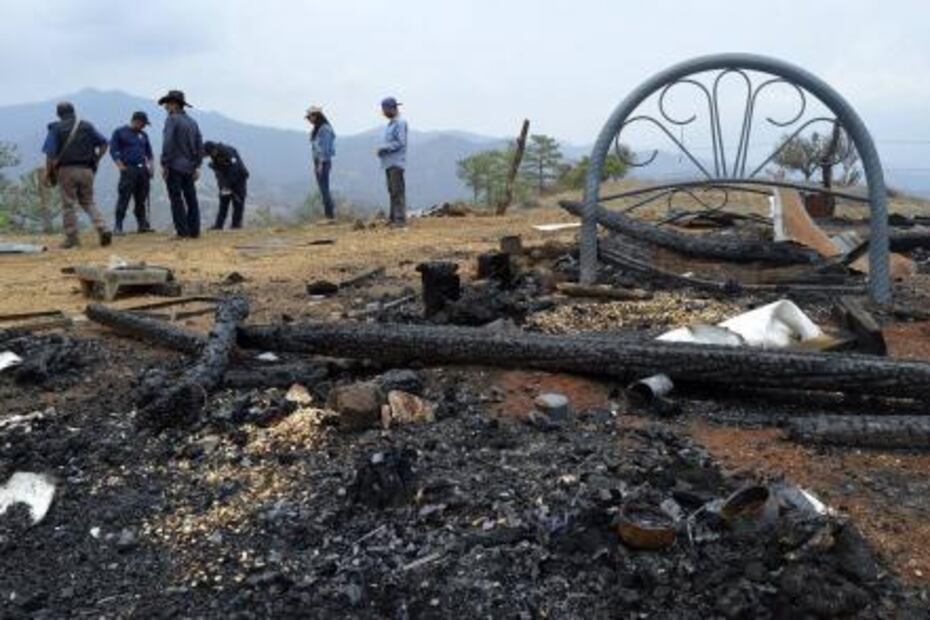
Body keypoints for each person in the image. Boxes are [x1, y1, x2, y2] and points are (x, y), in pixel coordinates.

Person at [42, 102, 112, 248]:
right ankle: (103, 228)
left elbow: (50, 154)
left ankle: (72, 238)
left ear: (58, 114)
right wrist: (96, 160)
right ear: (74, 111)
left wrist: (47, 173)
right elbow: (104, 143)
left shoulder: (56, 128)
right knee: (88, 201)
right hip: (87, 170)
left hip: (67, 170)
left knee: (68, 204)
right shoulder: (87, 126)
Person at [158, 90, 203, 239]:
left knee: (176, 199)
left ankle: (182, 232)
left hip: (175, 166)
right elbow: (199, 145)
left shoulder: (172, 120)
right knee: (191, 198)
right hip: (189, 167)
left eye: (168, 104)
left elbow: (168, 142)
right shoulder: (193, 122)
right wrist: (197, 165)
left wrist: (164, 163)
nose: (166, 107)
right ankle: (194, 231)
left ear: (175, 104)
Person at [109, 111, 154, 234]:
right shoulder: (120, 132)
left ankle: (142, 225)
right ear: (136, 121)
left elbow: (149, 154)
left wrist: (151, 167)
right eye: (143, 123)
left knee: (141, 198)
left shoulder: (143, 135)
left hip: (142, 170)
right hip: (129, 169)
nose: (144, 126)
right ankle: (118, 226)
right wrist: (121, 166)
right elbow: (113, 150)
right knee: (124, 197)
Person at [377, 97, 408, 226]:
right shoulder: (391, 124)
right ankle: (393, 218)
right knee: (392, 191)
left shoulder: (400, 123)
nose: (383, 113)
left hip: (396, 162)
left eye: (384, 110)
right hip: (389, 163)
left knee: (397, 191)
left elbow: (400, 142)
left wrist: (384, 148)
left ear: (391, 109)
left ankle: (400, 220)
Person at [204, 141, 250, 230]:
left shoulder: (227, 152)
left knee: (238, 202)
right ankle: (218, 225)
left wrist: (228, 185)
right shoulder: (214, 154)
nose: (208, 156)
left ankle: (236, 225)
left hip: (239, 179)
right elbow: (220, 172)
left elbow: (234, 169)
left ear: (214, 150)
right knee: (224, 202)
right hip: (226, 180)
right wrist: (223, 186)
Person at [306, 106, 336, 219]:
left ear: (316, 116)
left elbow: (326, 149)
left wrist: (320, 164)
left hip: (323, 162)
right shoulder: (318, 129)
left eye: (310, 116)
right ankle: (328, 214)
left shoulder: (325, 129)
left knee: (324, 188)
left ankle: (330, 215)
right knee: (323, 188)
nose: (309, 119)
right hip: (318, 161)